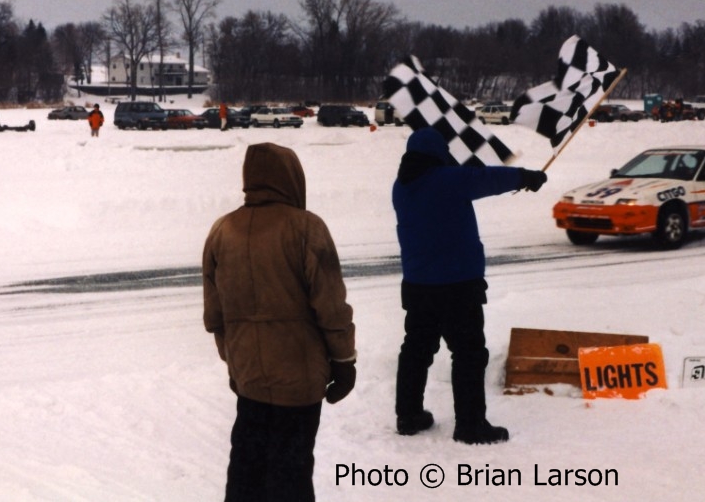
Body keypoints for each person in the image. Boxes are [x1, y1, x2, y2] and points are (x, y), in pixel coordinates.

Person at [203, 142, 356, 501]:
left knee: (246, 471)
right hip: (299, 380)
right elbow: (332, 306)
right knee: (291, 473)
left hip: (250, 377)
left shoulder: (222, 230)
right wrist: (344, 362)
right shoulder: (306, 228)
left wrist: (235, 364)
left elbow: (215, 315)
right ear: (291, 179)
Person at [392, 126, 547, 445]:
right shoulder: (446, 179)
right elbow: (486, 179)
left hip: (418, 285)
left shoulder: (402, 186)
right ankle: (470, 425)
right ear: (437, 152)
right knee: (468, 354)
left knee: (416, 350)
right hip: (457, 284)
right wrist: (526, 177)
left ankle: (408, 416)